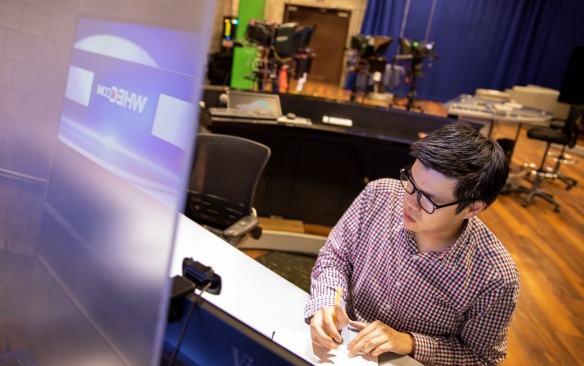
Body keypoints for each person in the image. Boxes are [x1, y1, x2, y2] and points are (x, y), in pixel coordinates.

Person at [304, 122, 520, 365]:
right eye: (411, 182)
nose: (410, 203)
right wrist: (328, 302)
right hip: (339, 348)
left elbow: (482, 358)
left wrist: (410, 342)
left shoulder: (495, 278)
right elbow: (335, 257)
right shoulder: (378, 195)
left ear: (472, 207)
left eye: (428, 199)